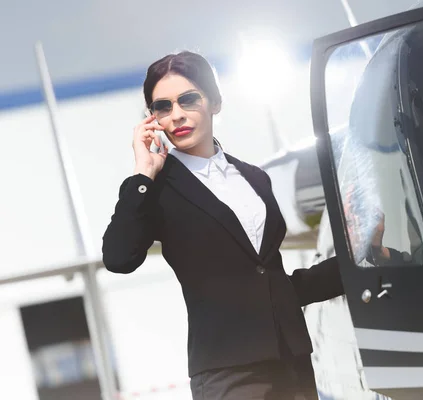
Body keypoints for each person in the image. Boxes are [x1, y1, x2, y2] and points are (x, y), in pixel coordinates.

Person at [102, 51, 346, 400]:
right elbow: (118, 257)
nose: (177, 115)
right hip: (228, 374)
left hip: (292, 362)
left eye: (188, 100)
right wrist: (143, 173)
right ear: (151, 118)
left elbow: (272, 284)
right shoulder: (156, 190)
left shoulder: (255, 178)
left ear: (215, 102)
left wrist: (356, 263)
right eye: (163, 107)